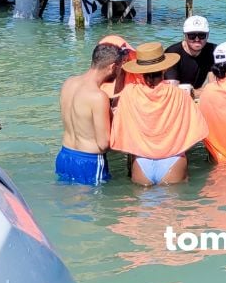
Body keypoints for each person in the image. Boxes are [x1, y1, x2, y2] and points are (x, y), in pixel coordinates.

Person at [110, 42, 208, 185]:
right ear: (165, 68)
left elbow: (119, 122)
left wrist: (121, 75)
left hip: (141, 162)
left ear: (139, 70)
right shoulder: (179, 94)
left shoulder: (129, 94)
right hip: (174, 160)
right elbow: (197, 129)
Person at [56, 41, 125, 185]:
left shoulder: (69, 83)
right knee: (90, 200)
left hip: (65, 155)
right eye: (120, 67)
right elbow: (103, 144)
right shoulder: (98, 97)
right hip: (89, 161)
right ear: (113, 67)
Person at [164, 15, 216, 94]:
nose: (197, 39)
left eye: (201, 35)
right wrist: (198, 92)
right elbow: (172, 90)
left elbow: (215, 87)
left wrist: (194, 92)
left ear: (207, 35)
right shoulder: (173, 54)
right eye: (192, 36)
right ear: (185, 36)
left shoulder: (213, 51)